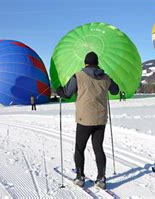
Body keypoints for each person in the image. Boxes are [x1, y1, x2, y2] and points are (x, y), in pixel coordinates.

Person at [57, 52, 119, 190]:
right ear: (97, 63)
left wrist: (59, 90)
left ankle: (80, 177)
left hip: (84, 119)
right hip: (100, 119)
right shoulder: (105, 77)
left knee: (80, 148)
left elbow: (67, 93)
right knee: (98, 148)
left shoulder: (78, 76)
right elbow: (115, 91)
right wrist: (108, 82)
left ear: (85, 63)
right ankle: (101, 179)